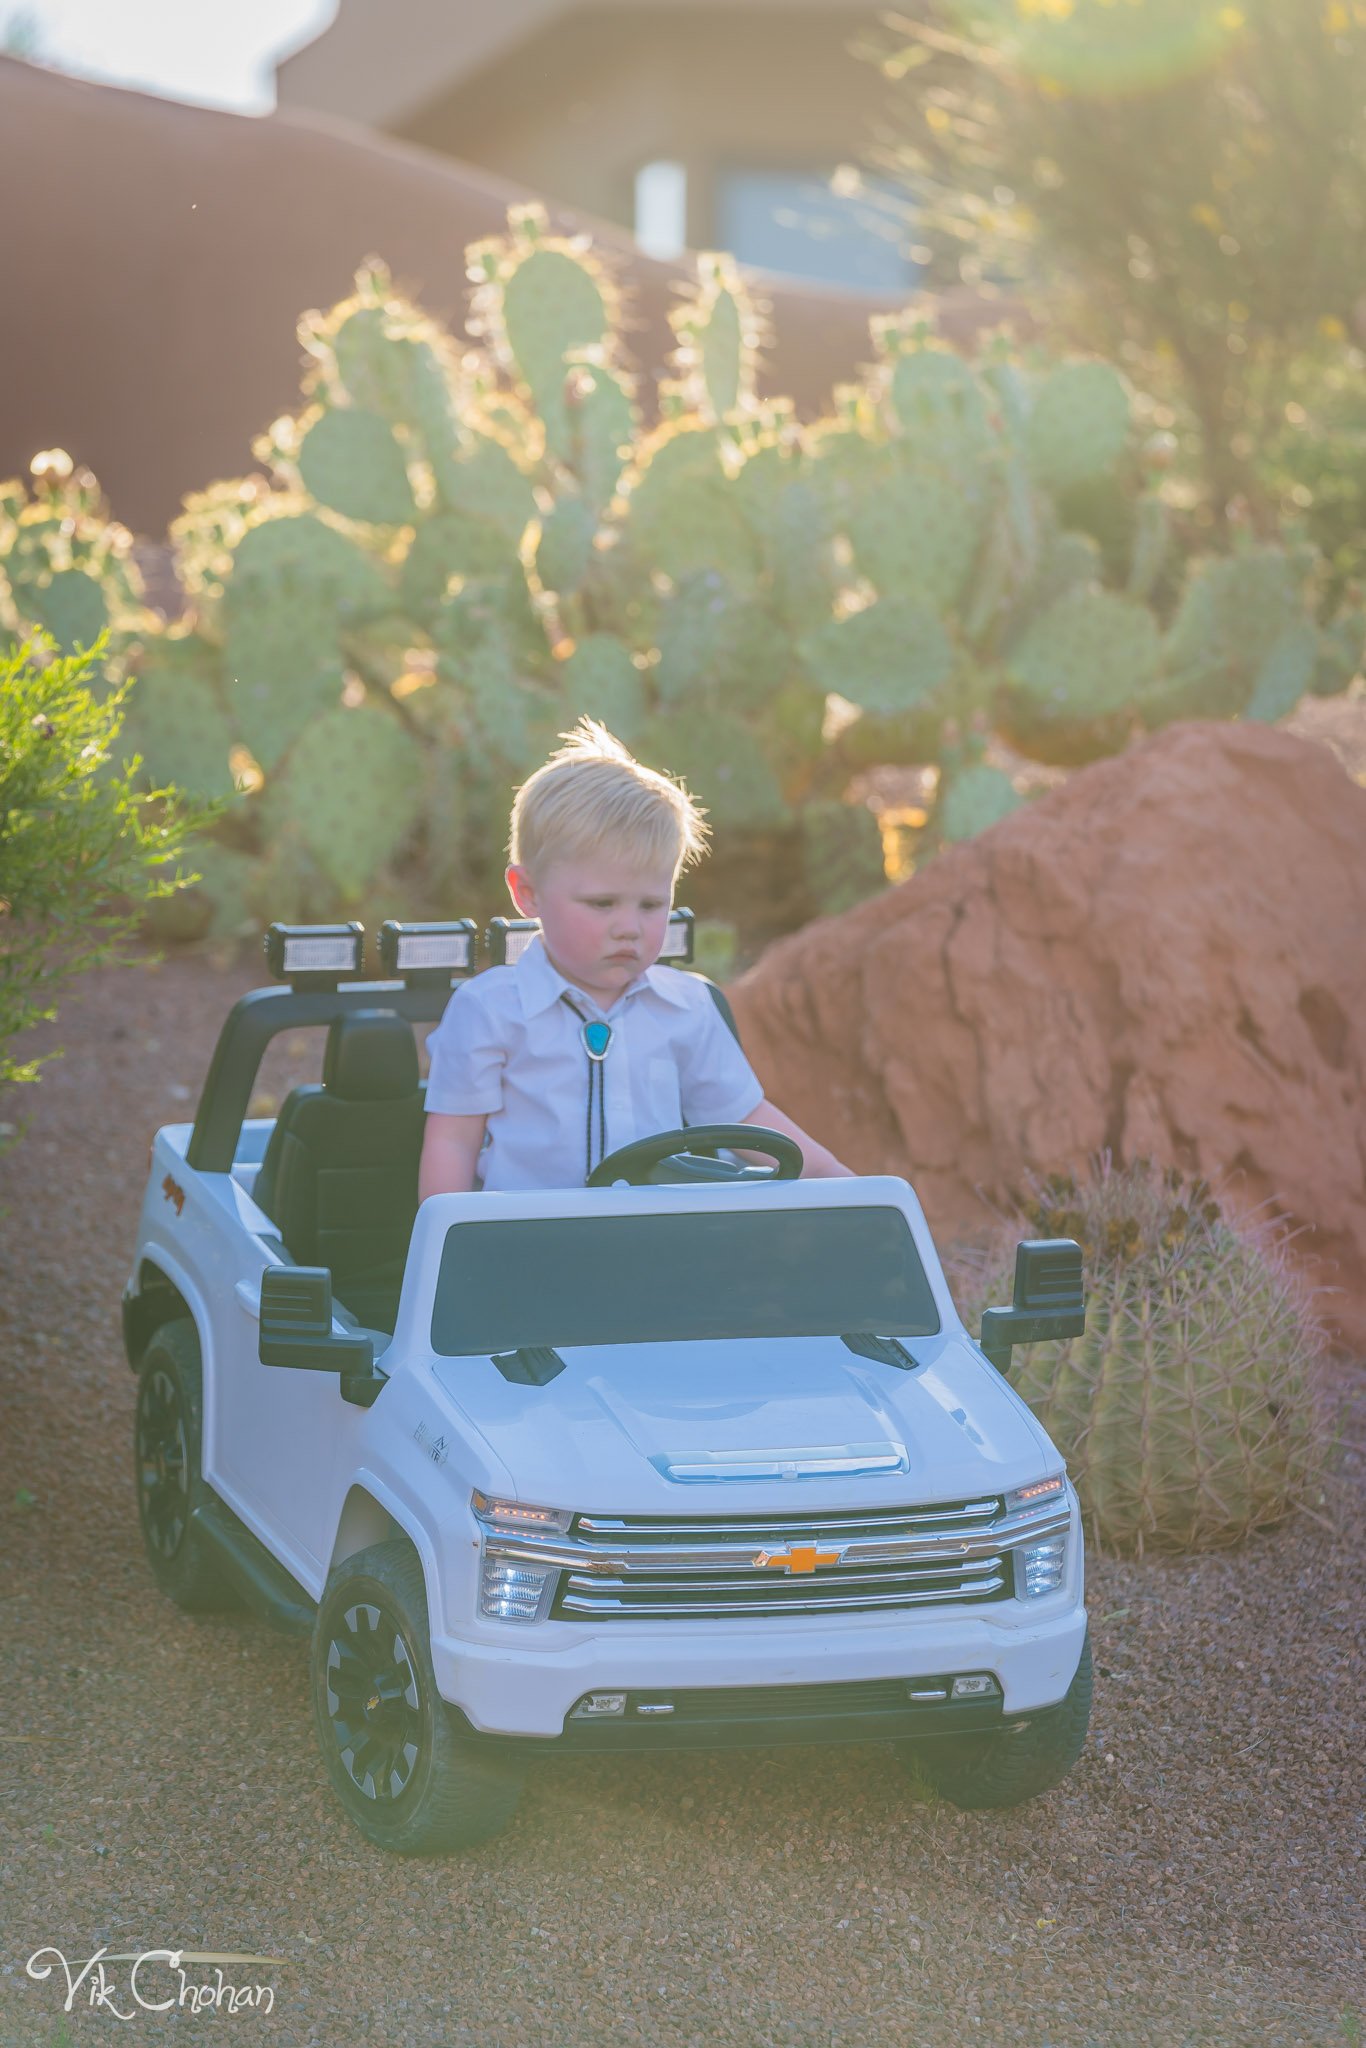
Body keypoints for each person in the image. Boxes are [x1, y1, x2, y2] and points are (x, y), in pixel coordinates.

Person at [417, 718, 852, 1197]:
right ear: (528, 894)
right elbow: (453, 1143)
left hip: (656, 1244)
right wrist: (449, 1245)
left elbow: (745, 1116)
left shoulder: (686, 1008)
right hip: (530, 1248)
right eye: (602, 904)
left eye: (650, 905)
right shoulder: (490, 1011)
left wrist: (840, 1183)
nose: (630, 926)